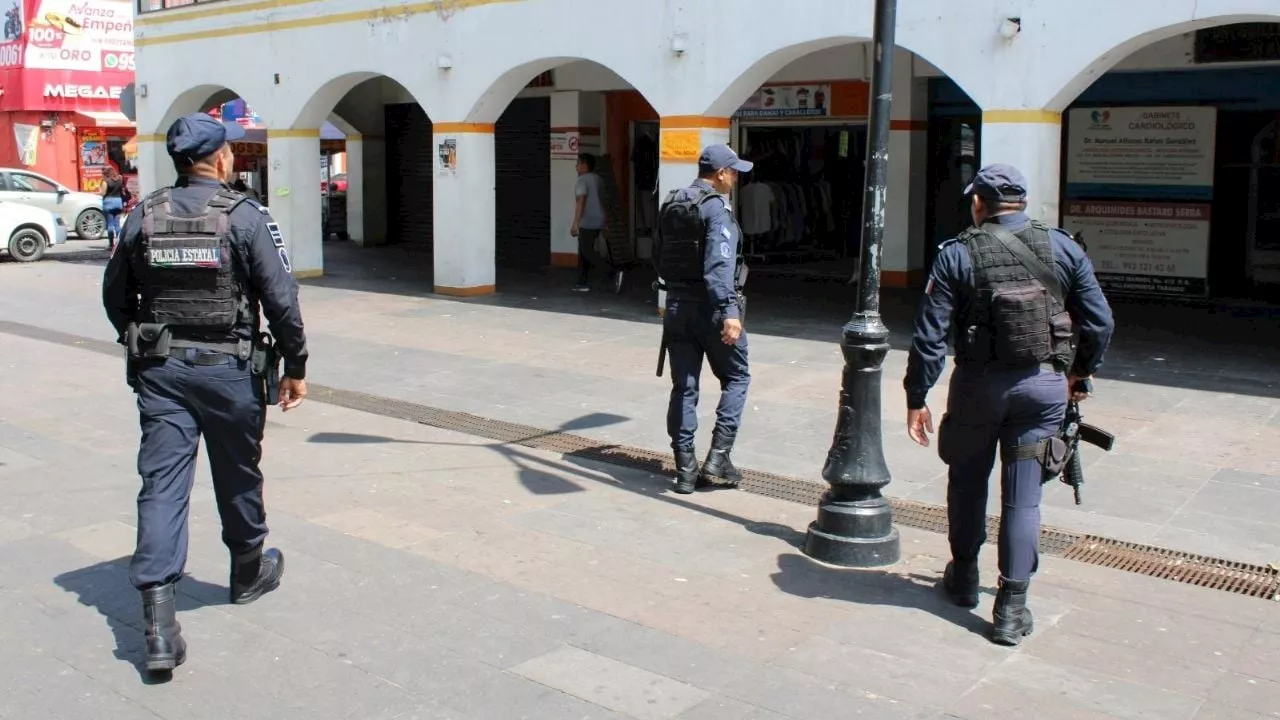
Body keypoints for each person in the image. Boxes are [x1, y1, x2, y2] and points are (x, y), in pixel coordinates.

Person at [101, 112, 310, 674]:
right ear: (221, 159)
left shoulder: (143, 215)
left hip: (161, 373)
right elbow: (282, 298)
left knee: (161, 483)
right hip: (229, 373)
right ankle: (247, 571)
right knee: (238, 471)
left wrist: (143, 340)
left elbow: (115, 296)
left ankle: (158, 625)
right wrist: (296, 364)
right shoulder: (244, 216)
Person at [903, 163, 1114, 647]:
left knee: (967, 482)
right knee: (1023, 500)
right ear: (1021, 200)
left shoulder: (957, 254)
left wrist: (918, 396)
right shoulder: (1063, 247)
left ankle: (962, 577)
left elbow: (929, 337)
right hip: (1042, 391)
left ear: (978, 201)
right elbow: (1100, 323)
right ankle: (1011, 609)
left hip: (977, 389)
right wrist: (1079, 373)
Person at [654, 144, 752, 494]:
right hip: (710, 309)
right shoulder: (716, 210)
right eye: (734, 171)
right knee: (737, 377)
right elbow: (718, 266)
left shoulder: (673, 204)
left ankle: (685, 470)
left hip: (677, 307)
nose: (736, 177)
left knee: (684, 387)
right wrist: (729, 313)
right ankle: (718, 459)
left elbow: (658, 254)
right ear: (721, 173)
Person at [570, 152, 606, 292]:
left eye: (578, 163)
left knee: (587, 252)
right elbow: (604, 201)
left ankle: (611, 272)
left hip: (588, 221)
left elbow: (581, 202)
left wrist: (575, 223)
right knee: (584, 252)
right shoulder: (599, 179)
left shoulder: (582, 180)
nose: (576, 166)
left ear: (584, 165)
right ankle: (582, 282)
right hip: (599, 219)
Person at [101, 166, 129, 251]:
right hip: (118, 202)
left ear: (107, 174)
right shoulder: (120, 179)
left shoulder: (106, 181)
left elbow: (103, 193)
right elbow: (123, 190)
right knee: (117, 224)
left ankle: (111, 245)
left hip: (108, 202)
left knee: (110, 224)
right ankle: (119, 244)